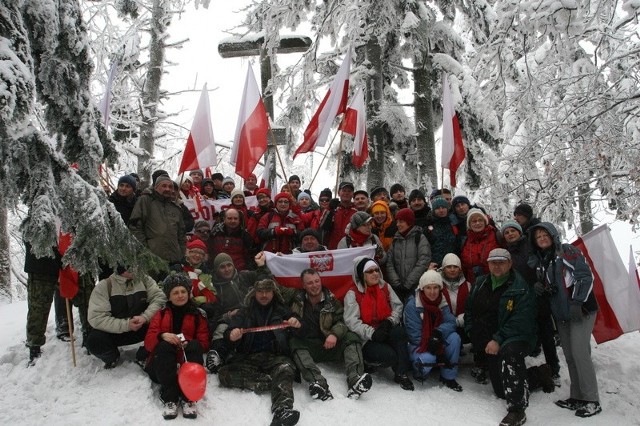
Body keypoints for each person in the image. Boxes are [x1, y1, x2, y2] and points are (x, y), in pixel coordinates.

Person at [465, 248, 554, 426]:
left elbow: (522, 320)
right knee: (501, 390)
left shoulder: (520, 287)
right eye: (493, 262)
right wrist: (472, 331)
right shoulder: (480, 283)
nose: (497, 266)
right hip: (491, 338)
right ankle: (539, 374)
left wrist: (498, 339)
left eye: (501, 262)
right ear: (488, 264)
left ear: (510, 263)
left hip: (517, 336)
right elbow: (469, 310)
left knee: (510, 353)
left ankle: (517, 410)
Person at [528, 223, 602, 418]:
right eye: (538, 236)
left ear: (553, 235)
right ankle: (577, 396)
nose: (542, 238)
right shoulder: (540, 261)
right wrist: (540, 287)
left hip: (580, 310)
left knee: (580, 353)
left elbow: (585, 276)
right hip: (561, 314)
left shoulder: (565, 251)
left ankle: (592, 400)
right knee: (569, 355)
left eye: (545, 234)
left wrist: (578, 302)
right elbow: (552, 285)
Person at [218, 279, 302, 426]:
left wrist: (296, 322)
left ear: (273, 293)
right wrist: (232, 334)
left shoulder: (282, 310)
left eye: (267, 291)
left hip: (276, 357)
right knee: (224, 374)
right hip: (248, 358)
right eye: (260, 292)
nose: (264, 295)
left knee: (286, 368)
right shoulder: (244, 311)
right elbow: (229, 331)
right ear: (254, 293)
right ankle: (274, 381)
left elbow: (298, 323)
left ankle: (282, 410)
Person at [289, 269, 372, 400]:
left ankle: (355, 379)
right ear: (303, 285)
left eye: (317, 281)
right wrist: (262, 266)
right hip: (308, 345)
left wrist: (334, 334)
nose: (315, 285)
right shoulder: (295, 297)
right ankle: (317, 383)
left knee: (352, 338)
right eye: (310, 283)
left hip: (329, 344)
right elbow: (273, 288)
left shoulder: (331, 300)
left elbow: (342, 321)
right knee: (294, 342)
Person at [143, 274, 209, 420]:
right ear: (169, 296)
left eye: (183, 292)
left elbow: (204, 343)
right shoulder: (160, 314)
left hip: (187, 363)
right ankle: (170, 398)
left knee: (194, 347)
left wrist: (189, 343)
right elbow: (148, 343)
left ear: (188, 293)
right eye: (175, 292)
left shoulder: (198, 315)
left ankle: (188, 397)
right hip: (163, 365)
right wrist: (162, 336)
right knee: (164, 346)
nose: (180, 296)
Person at [344, 257, 414, 391]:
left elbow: (398, 307)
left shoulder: (385, 286)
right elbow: (352, 321)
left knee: (400, 333)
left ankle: (401, 373)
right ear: (362, 275)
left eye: (376, 270)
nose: (375, 273)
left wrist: (389, 321)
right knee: (390, 356)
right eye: (370, 271)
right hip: (367, 338)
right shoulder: (353, 293)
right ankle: (367, 361)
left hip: (385, 329)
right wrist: (372, 333)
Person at [502, 220, 560, 378]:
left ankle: (553, 367)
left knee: (545, 331)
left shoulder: (530, 246)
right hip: (521, 297)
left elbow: (546, 263)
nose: (510, 234)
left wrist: (539, 282)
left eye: (513, 231)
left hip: (538, 293)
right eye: (506, 233)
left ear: (520, 232)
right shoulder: (507, 252)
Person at [24, 242, 93, 363]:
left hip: (75, 259)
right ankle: (34, 348)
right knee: (38, 306)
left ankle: (90, 338)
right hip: (41, 262)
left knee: (86, 299)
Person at [205, 252, 273, 372]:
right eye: (222, 267)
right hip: (231, 319)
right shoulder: (213, 287)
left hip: (253, 313)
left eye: (229, 265)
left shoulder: (245, 276)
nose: (227, 269)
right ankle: (216, 354)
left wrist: (262, 266)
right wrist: (226, 316)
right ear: (216, 270)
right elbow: (213, 313)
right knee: (221, 329)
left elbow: (266, 281)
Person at [86, 268, 166, 368]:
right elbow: (97, 318)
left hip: (143, 327)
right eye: (127, 267)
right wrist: (126, 325)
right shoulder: (104, 286)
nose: (132, 269)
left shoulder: (145, 280)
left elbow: (159, 299)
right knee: (94, 341)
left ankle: (149, 352)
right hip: (115, 332)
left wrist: (145, 317)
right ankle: (112, 357)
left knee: (166, 323)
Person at [403, 270, 462, 391]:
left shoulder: (441, 300)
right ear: (422, 288)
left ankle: (448, 376)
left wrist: (438, 333)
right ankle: (419, 372)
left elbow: (451, 322)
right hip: (418, 344)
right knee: (428, 359)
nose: (432, 292)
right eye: (428, 287)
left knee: (455, 338)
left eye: (436, 287)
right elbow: (415, 336)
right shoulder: (413, 304)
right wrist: (436, 349)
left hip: (435, 339)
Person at [129, 174, 186, 280]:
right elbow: (135, 226)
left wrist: (181, 253)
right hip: (153, 261)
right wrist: (145, 250)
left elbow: (181, 234)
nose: (167, 189)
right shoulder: (146, 201)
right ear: (156, 187)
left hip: (174, 261)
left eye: (170, 187)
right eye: (164, 186)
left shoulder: (175, 208)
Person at [386, 208, 431, 302]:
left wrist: (408, 284)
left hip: (415, 287)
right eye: (397, 221)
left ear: (409, 222)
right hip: (398, 289)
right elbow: (389, 262)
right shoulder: (395, 240)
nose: (398, 224)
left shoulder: (420, 238)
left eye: (401, 222)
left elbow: (423, 261)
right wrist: (396, 283)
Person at [458, 208, 501, 284]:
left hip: (495, 283)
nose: (477, 223)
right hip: (473, 285)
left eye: (480, 220)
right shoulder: (465, 242)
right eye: (474, 221)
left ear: (485, 222)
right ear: (469, 225)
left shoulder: (496, 236)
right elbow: (464, 267)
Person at [439, 253, 471, 342]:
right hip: (443, 326)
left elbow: (472, 308)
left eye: (455, 267)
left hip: (463, 326)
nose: (452, 270)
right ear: (443, 269)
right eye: (449, 267)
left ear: (460, 269)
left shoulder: (468, 286)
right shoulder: (437, 286)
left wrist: (463, 318)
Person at [321, 182, 357, 250]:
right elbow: (322, 225)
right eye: (344, 190)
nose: (346, 193)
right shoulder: (332, 208)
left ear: (353, 194)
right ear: (338, 193)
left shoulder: (356, 210)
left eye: (349, 191)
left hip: (351, 249)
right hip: (333, 249)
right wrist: (330, 209)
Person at [425, 196, 458, 268]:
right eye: (437, 208)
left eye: (443, 207)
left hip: (452, 264)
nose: (441, 210)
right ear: (434, 210)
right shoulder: (429, 225)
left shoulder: (453, 224)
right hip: (435, 265)